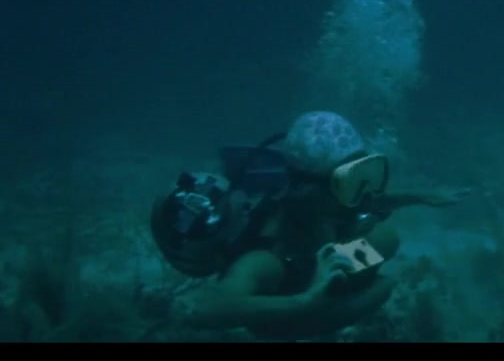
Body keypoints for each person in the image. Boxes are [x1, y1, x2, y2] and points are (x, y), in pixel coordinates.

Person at [150, 111, 461, 339]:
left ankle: (332, 289)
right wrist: (306, 301)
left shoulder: (322, 203)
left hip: (315, 266)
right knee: (382, 279)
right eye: (348, 181)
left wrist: (419, 197)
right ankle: (322, 304)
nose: (361, 191)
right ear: (309, 189)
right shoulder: (265, 258)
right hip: (282, 311)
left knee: (386, 239)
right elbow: (199, 309)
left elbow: (364, 204)